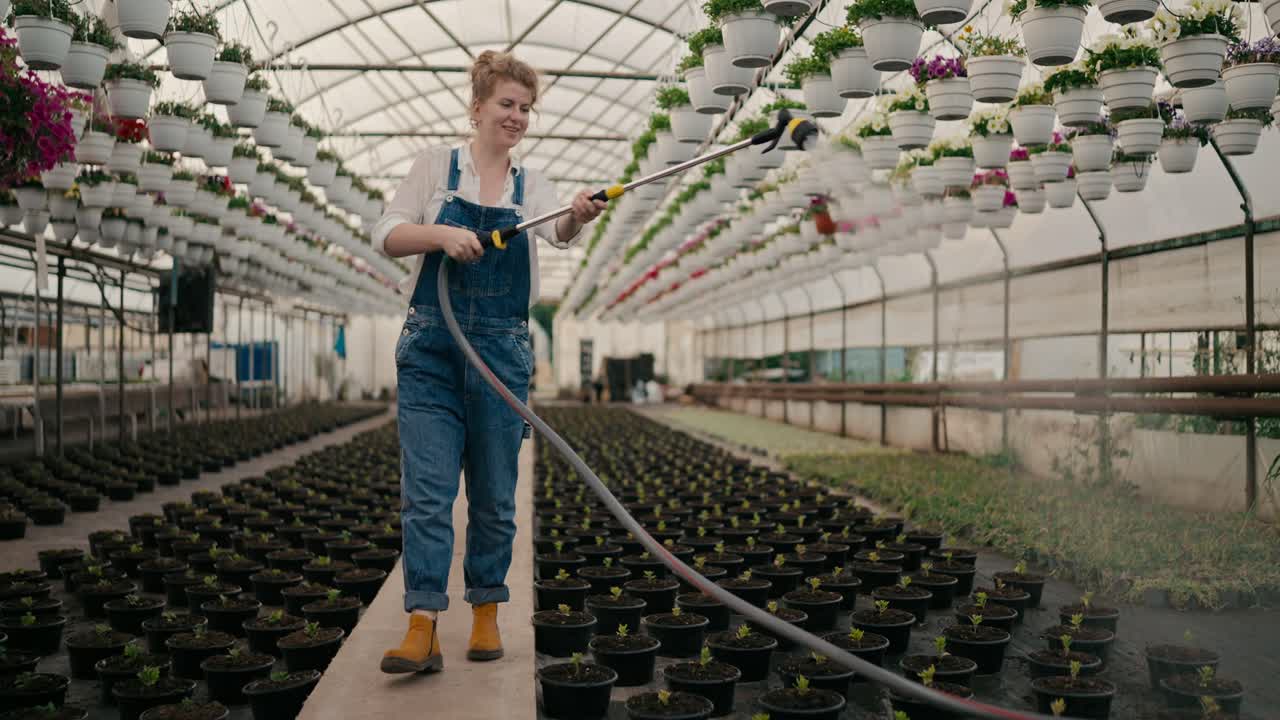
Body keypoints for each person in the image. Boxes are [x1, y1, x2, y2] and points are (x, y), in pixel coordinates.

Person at [370, 50, 607, 675]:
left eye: (526, 108)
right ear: (476, 108)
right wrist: (441, 235)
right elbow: (387, 233)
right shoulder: (435, 168)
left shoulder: (533, 186)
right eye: (506, 104)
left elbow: (559, 230)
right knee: (427, 495)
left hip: (501, 353)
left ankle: (485, 613)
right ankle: (422, 624)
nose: (517, 116)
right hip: (431, 353)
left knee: (496, 497)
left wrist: (579, 214)